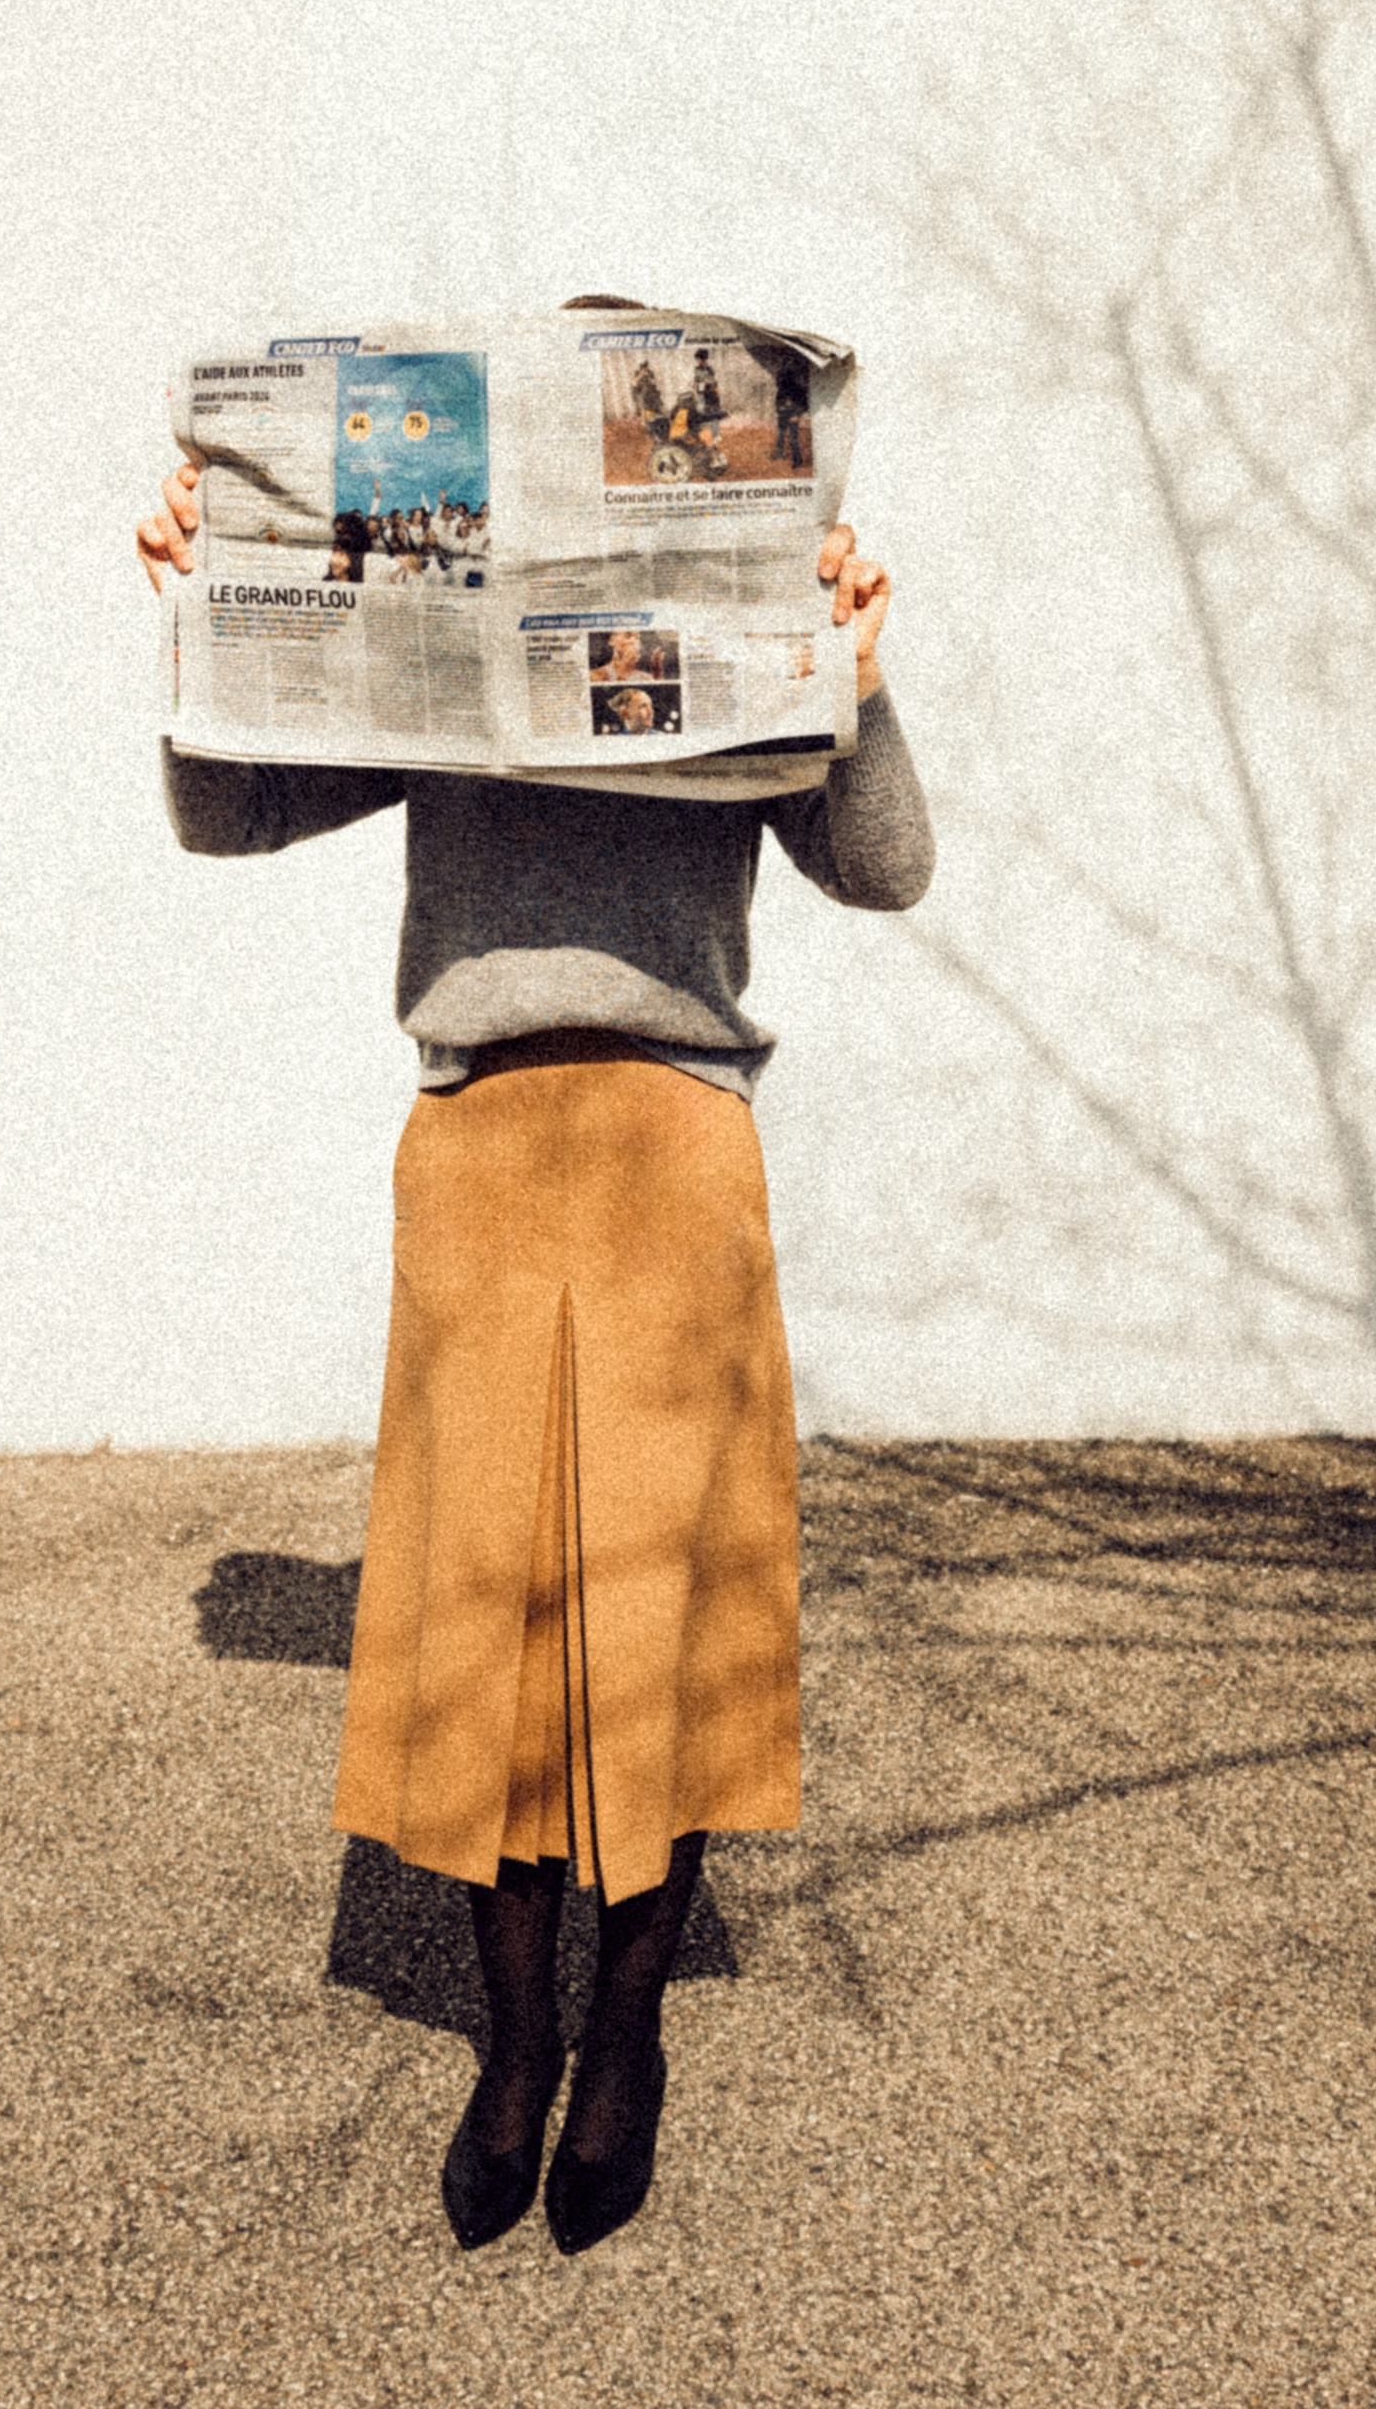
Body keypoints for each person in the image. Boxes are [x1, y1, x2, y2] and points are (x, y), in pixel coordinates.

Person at [136, 298, 932, 2261]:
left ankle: (625, 2032)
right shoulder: (450, 634)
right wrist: (201, 602)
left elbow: (889, 865)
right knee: (490, 1616)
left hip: (674, 1134)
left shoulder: (741, 640)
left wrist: (854, 668)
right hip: (480, 1139)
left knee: (656, 1608)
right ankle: (511, 2050)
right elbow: (227, 806)